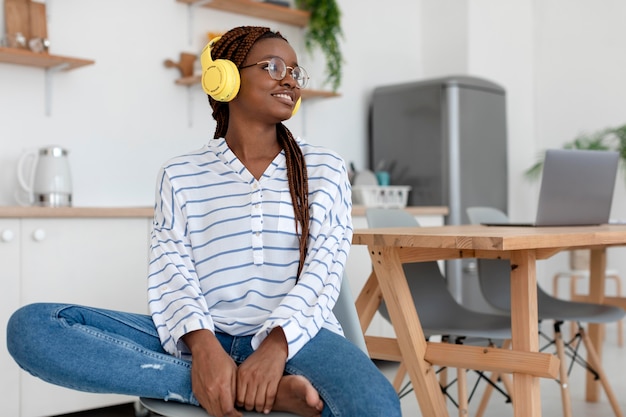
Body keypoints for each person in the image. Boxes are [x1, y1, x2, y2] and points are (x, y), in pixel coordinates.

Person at [6, 26, 401, 417]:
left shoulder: (324, 167)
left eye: (296, 72)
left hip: (301, 338)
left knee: (375, 405)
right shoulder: (180, 175)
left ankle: (220, 387)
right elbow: (172, 273)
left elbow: (325, 268)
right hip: (204, 338)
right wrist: (204, 348)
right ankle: (246, 391)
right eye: (275, 66)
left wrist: (275, 347)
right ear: (225, 79)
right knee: (34, 328)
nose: (291, 81)